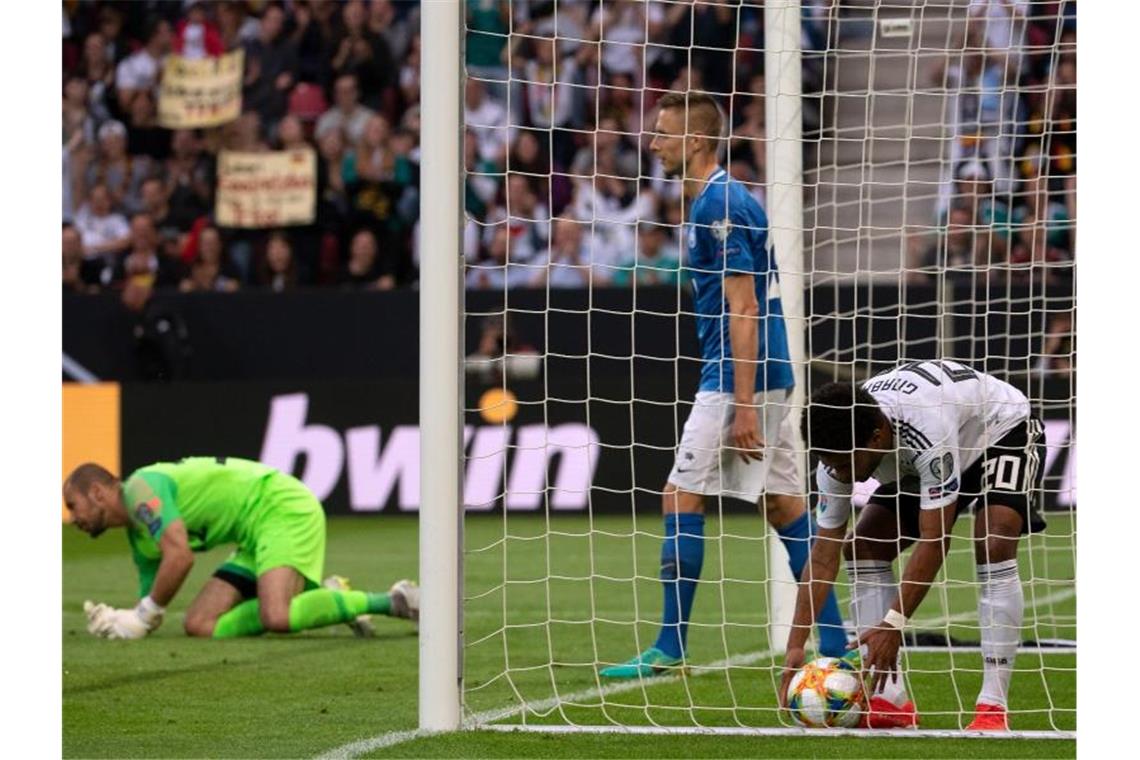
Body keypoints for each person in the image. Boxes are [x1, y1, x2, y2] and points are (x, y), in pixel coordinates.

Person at [600, 92, 846, 679]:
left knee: (680, 493)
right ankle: (838, 642)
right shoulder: (713, 203)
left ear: (696, 142)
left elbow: (745, 308)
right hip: (770, 374)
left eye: (662, 133)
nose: (652, 142)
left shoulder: (722, 206)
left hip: (742, 378)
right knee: (784, 505)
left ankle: (669, 647)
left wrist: (741, 406)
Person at [779, 360, 1046, 731]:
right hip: (919, 456)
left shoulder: (925, 431)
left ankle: (992, 706)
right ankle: (891, 701)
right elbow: (824, 554)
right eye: (830, 464)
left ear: (875, 438)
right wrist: (795, 644)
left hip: (996, 431)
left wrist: (894, 622)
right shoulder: (838, 454)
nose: (838, 474)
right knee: (864, 546)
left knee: (994, 540)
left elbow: (935, 540)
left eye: (843, 464)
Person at [65, 457, 419, 640]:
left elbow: (180, 558)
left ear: (97, 493)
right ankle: (325, 600)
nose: (72, 517)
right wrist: (123, 622)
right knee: (200, 624)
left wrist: (143, 616)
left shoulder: (142, 489)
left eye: (73, 505)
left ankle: (394, 601)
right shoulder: (139, 535)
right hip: (253, 534)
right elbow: (151, 605)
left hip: (279, 507)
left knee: (276, 616)